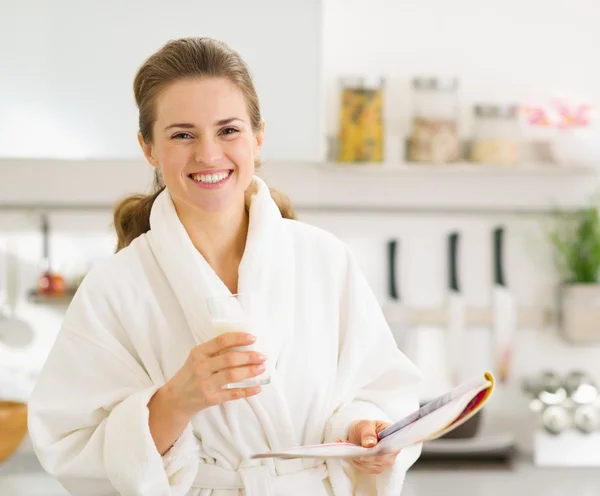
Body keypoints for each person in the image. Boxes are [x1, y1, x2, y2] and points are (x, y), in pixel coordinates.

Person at [27, 37, 423, 495]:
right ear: (149, 149)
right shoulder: (114, 289)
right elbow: (69, 443)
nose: (209, 154)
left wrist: (365, 434)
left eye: (228, 130)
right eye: (182, 135)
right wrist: (174, 403)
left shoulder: (324, 260)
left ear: (257, 137)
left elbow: (379, 389)